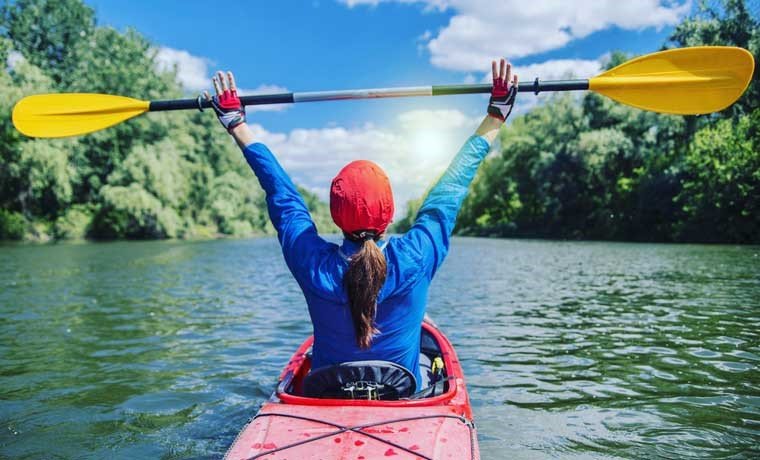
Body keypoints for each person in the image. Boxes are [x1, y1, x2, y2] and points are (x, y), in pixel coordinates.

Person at [204, 59, 518, 391]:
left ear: (336, 217)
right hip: (401, 393)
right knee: (429, 357)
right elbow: (452, 186)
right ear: (390, 214)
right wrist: (497, 113)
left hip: (326, 393)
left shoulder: (311, 262)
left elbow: (281, 193)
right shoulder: (417, 254)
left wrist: (235, 122)